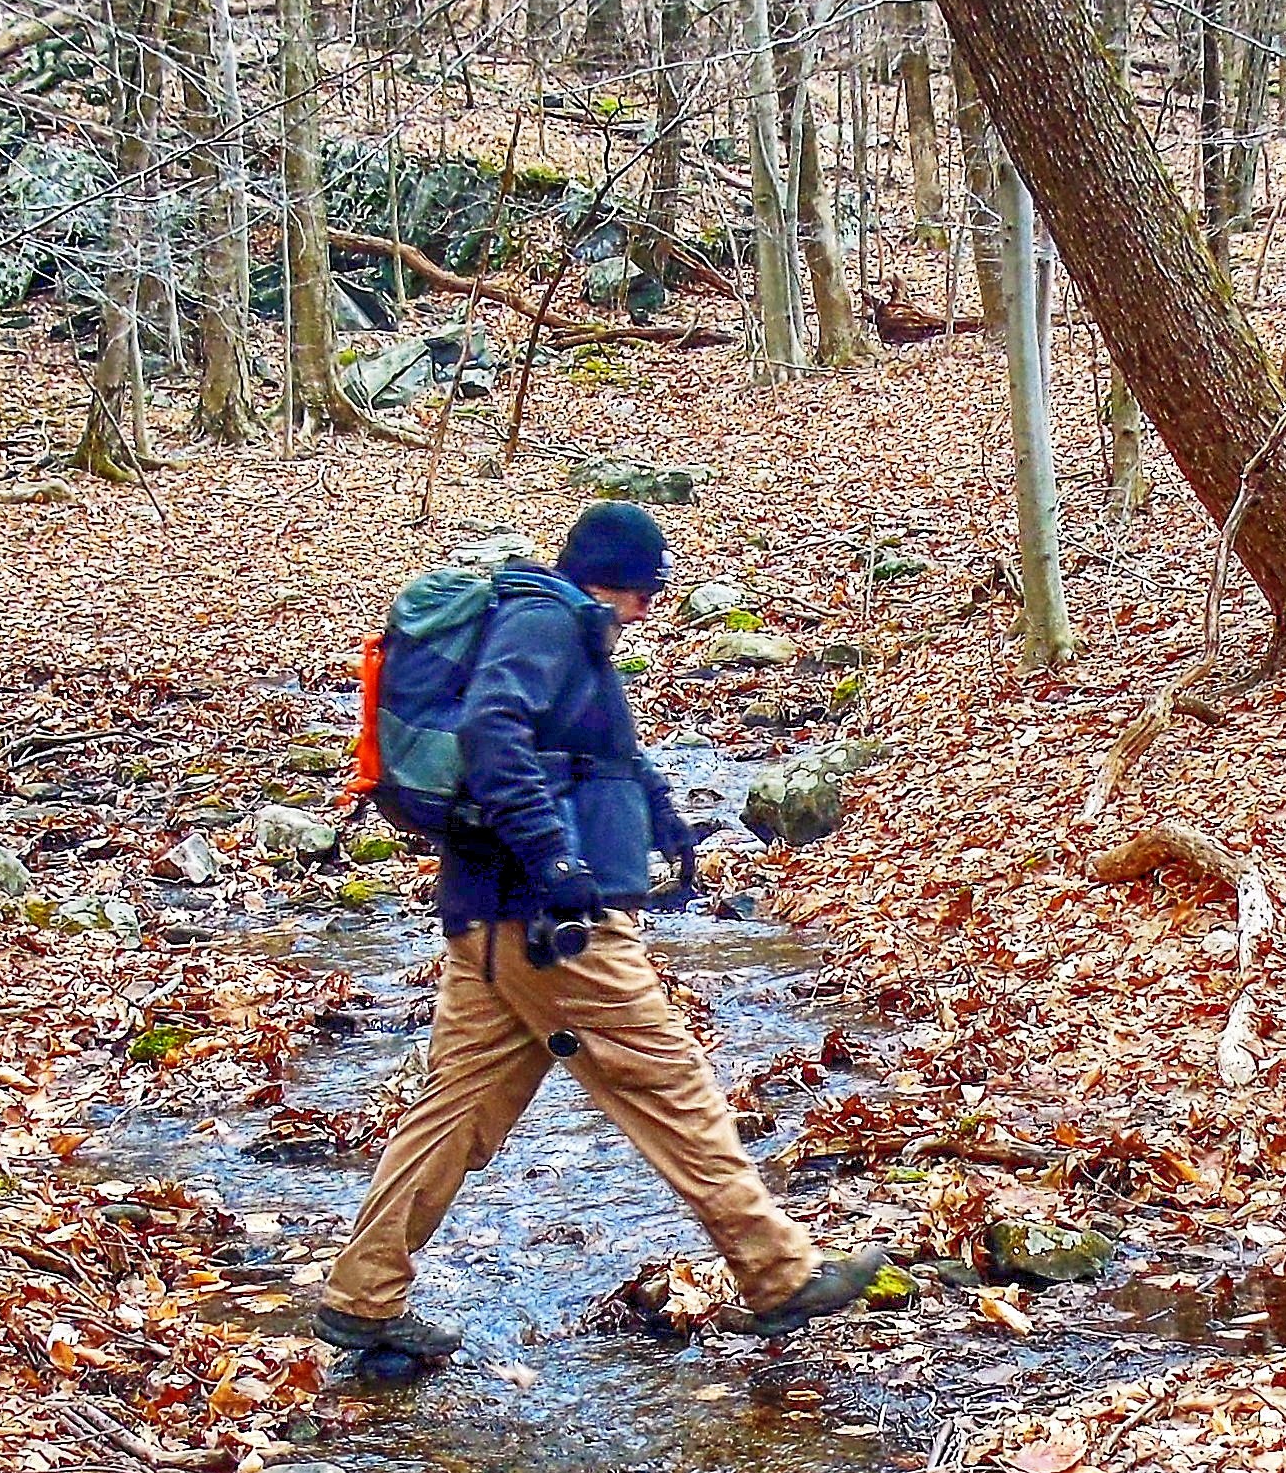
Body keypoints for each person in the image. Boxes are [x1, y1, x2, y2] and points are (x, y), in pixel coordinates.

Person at [315, 501, 889, 1366]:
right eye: (645, 592)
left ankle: (362, 1296)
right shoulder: (546, 625)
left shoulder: (561, 625)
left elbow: (588, 748)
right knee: (672, 1084)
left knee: (455, 1113)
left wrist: (659, 814)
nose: (649, 611)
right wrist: (556, 862)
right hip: (551, 926)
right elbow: (493, 737)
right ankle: (777, 1274)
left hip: (494, 918)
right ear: (614, 580)